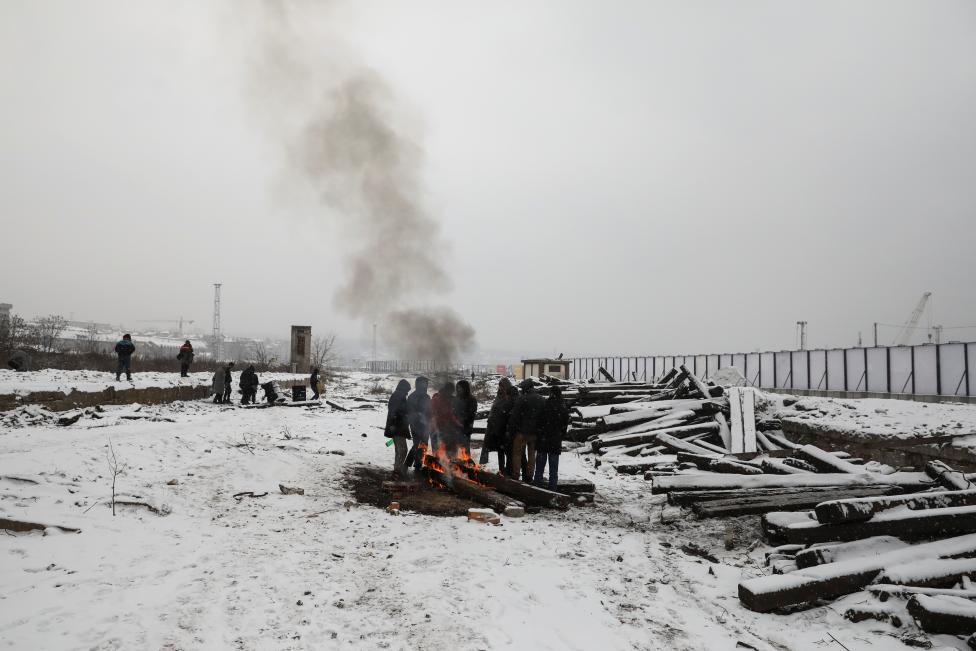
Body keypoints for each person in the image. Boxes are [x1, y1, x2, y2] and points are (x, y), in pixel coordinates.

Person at [507, 379, 547, 482]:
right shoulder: (541, 399)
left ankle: (516, 474)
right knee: (532, 455)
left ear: (525, 388)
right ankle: (529, 476)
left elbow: (514, 416)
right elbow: (544, 417)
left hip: (522, 432)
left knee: (517, 453)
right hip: (535, 433)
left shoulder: (522, 399)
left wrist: (511, 430)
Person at [534, 384, 570, 490]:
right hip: (555, 440)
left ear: (551, 394)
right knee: (553, 469)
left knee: (539, 467)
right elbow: (565, 424)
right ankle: (552, 488)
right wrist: (561, 435)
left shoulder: (545, 404)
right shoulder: (562, 407)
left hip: (543, 439)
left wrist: (539, 433)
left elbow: (538, 421)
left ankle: (536, 487)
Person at [482, 377, 517, 469]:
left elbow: (510, 411)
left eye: (502, 386)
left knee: (508, 451)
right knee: (500, 450)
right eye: (500, 386)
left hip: (506, 428)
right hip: (497, 428)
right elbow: (495, 409)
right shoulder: (499, 396)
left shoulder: (510, 397)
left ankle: (509, 470)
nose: (501, 388)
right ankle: (501, 469)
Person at [385, 379, 411, 478]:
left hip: (398, 427)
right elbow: (393, 411)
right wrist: (393, 424)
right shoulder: (398, 396)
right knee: (403, 450)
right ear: (404, 388)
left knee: (399, 450)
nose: (407, 392)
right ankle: (397, 471)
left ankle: (397, 470)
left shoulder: (399, 395)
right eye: (407, 390)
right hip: (398, 427)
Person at [405, 376, 431, 470]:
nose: (426, 385)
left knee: (423, 444)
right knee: (417, 444)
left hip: (425, 425)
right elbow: (410, 411)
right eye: (424, 383)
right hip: (416, 424)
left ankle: (417, 463)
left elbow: (429, 411)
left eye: (426, 383)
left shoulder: (426, 396)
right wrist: (418, 416)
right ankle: (410, 463)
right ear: (418, 384)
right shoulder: (413, 396)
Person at [430, 382, 460, 457]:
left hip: (449, 428)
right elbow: (433, 414)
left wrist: (457, 423)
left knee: (451, 447)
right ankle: (437, 461)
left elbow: (452, 414)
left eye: (452, 391)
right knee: (438, 448)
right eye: (450, 391)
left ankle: (451, 460)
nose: (451, 393)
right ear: (446, 390)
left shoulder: (451, 399)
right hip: (438, 428)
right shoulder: (437, 399)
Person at [453, 379, 478, 456]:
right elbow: (453, 411)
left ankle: (466, 462)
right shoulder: (456, 399)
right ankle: (454, 462)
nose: (459, 389)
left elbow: (471, 414)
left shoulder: (471, 399)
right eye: (458, 388)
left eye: (460, 388)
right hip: (455, 428)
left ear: (465, 388)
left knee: (465, 449)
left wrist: (462, 420)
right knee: (454, 449)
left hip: (466, 428)